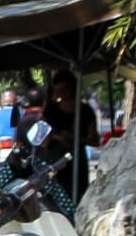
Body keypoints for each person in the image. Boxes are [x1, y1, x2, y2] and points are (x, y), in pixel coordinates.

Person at [42, 70, 100, 203]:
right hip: (55, 161)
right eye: (58, 90)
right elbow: (43, 135)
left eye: (64, 90)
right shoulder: (51, 110)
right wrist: (59, 137)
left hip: (77, 163)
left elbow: (95, 141)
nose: (61, 94)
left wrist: (75, 139)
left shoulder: (85, 111)